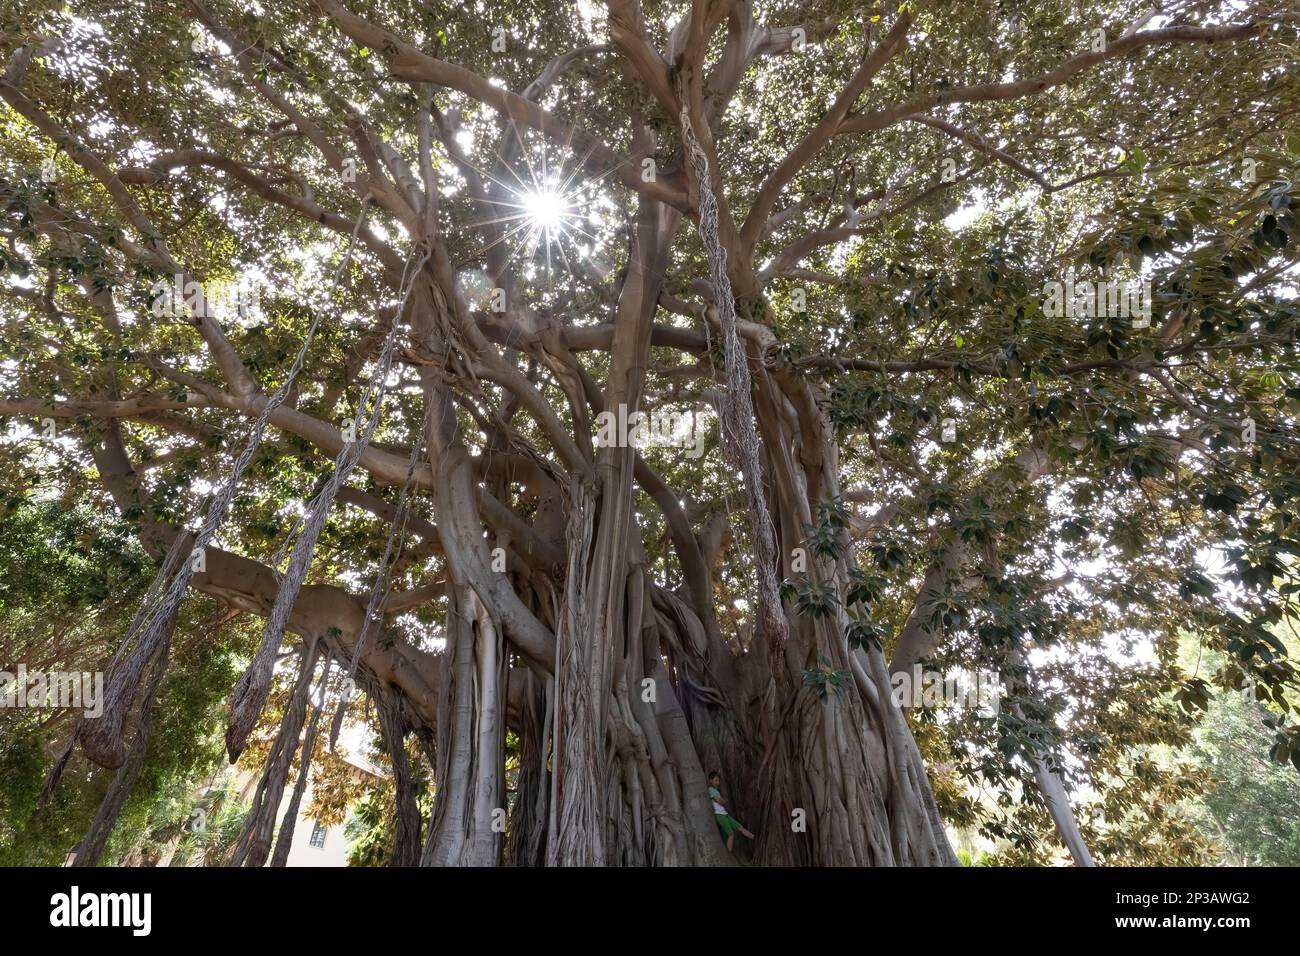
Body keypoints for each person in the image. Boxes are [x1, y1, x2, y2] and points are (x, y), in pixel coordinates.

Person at [707, 770, 754, 852]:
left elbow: (722, 801)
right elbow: (720, 801)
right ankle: (729, 853)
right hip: (719, 815)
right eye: (716, 780)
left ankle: (754, 838)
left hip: (725, 814)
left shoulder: (716, 791)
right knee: (731, 834)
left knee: (740, 828)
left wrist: (722, 801)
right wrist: (722, 801)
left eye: (718, 780)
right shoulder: (710, 790)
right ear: (710, 781)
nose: (718, 782)